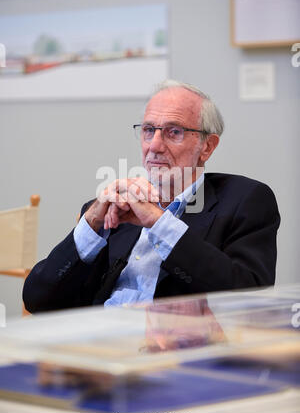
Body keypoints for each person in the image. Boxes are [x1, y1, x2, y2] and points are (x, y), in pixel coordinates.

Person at [23, 80, 280, 313]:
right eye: (148, 130)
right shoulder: (114, 209)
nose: (154, 146)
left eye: (174, 132)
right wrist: (89, 225)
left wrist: (160, 224)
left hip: (173, 352)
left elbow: (248, 299)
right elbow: (37, 300)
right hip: (100, 345)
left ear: (207, 146)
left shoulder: (245, 201)